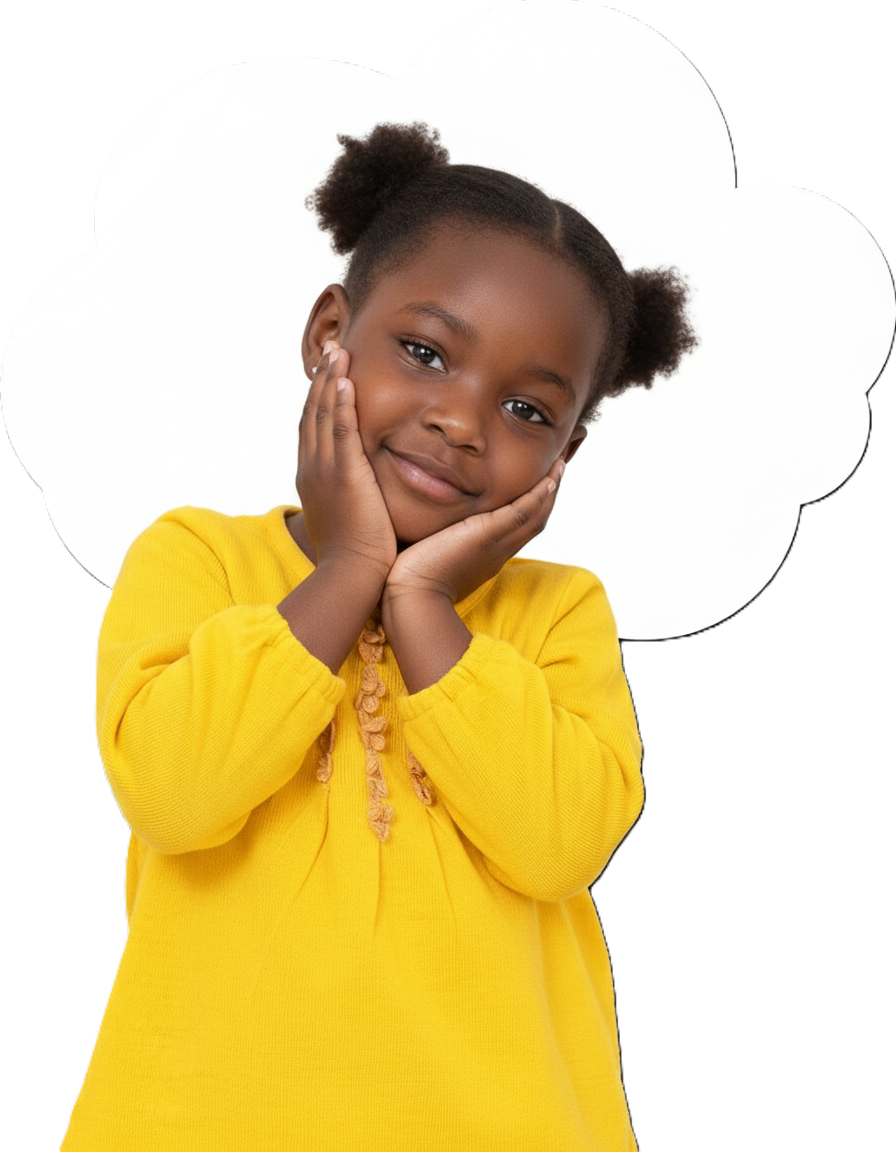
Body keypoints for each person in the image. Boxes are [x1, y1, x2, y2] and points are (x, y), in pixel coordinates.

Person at [58, 122, 696, 1150]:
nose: (462, 421)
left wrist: (422, 605)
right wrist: (351, 568)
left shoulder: (559, 613)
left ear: (565, 454)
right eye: (425, 353)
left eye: (526, 409)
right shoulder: (193, 558)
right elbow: (173, 794)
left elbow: (559, 846)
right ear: (329, 334)